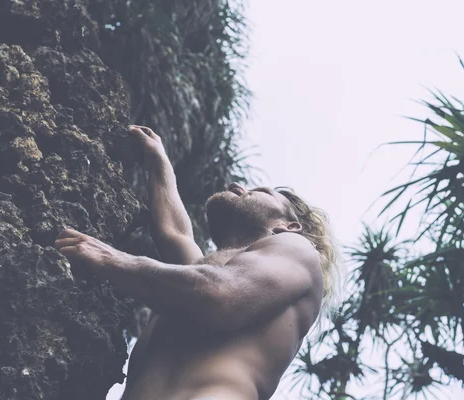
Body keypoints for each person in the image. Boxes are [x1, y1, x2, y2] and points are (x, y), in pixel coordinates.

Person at [54, 125, 344, 400]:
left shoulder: (297, 249)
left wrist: (108, 258)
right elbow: (174, 233)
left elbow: (220, 295)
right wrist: (158, 160)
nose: (238, 185)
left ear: (287, 226)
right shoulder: (200, 279)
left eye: (262, 192)